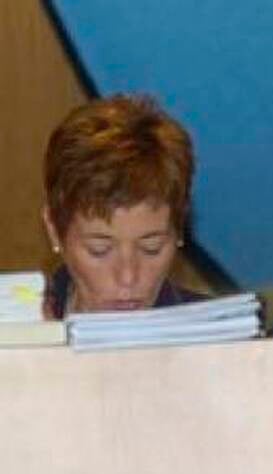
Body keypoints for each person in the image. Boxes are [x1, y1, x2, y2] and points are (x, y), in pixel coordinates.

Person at [41, 94, 202, 318]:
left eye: (151, 248)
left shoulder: (227, 337)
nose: (128, 277)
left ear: (179, 229)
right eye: (99, 250)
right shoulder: (15, 333)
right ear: (54, 230)